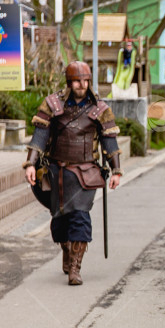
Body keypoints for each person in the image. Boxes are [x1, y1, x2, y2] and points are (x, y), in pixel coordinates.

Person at [23, 61, 122, 286]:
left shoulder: (100, 108)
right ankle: (66, 249)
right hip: (57, 172)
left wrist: (116, 170)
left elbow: (110, 141)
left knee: (80, 216)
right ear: (69, 81)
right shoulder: (52, 104)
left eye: (86, 80)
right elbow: (39, 136)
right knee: (59, 220)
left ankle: (75, 268)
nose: (82, 85)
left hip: (86, 173)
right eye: (78, 80)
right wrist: (30, 164)